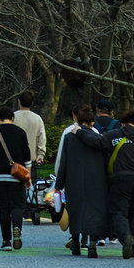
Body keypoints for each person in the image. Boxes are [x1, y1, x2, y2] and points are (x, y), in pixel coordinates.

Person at [76, 109, 134, 257]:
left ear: (122, 123)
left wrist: (80, 132)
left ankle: (126, 237)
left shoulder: (115, 135)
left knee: (119, 212)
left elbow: (97, 142)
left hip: (120, 179)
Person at [55, 104, 109, 257]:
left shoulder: (69, 137)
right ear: (92, 122)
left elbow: (64, 162)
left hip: (74, 180)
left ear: (77, 121)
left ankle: (76, 242)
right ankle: (92, 243)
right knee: (93, 211)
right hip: (96, 181)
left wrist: (59, 184)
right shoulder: (98, 138)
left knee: (75, 211)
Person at [0, 106, 32, 251]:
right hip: (16, 176)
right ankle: (17, 228)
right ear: (13, 118)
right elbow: (27, 157)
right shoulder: (20, 133)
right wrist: (27, 177)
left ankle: (6, 241)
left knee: (3, 207)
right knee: (17, 206)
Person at [13, 93, 47, 185]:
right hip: (31, 160)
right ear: (32, 103)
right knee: (31, 190)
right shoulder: (37, 119)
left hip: (14, 160)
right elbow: (42, 138)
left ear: (19, 102)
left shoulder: (12, 117)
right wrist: (41, 154)